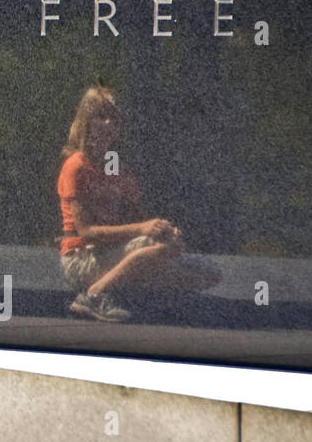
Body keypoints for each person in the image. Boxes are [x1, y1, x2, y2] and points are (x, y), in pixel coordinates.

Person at [56, 85, 221, 322]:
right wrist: (143, 230)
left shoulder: (119, 170)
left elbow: (137, 218)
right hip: (82, 257)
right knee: (155, 246)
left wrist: (163, 230)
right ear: (86, 122)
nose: (108, 125)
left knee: (209, 272)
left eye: (114, 119)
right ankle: (93, 294)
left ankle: (134, 295)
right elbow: (86, 232)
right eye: (100, 117)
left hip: (114, 253)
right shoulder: (76, 166)